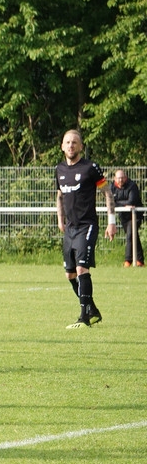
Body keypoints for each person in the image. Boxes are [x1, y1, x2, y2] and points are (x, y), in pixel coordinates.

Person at [56, 130, 116, 328]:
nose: (71, 145)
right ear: (62, 147)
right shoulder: (60, 170)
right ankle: (93, 310)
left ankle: (84, 317)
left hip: (87, 226)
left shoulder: (90, 167)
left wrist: (111, 221)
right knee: (70, 275)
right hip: (70, 228)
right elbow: (59, 195)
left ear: (81, 146)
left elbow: (107, 192)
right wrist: (60, 220)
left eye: (74, 142)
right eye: (67, 142)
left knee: (82, 268)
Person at [110, 169, 144, 267]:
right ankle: (140, 261)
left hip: (135, 215)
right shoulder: (112, 187)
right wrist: (123, 206)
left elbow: (131, 201)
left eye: (122, 178)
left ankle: (128, 261)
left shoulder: (132, 186)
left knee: (130, 235)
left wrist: (119, 204)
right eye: (118, 178)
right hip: (123, 215)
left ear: (125, 177)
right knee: (133, 236)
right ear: (115, 179)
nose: (120, 180)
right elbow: (111, 202)